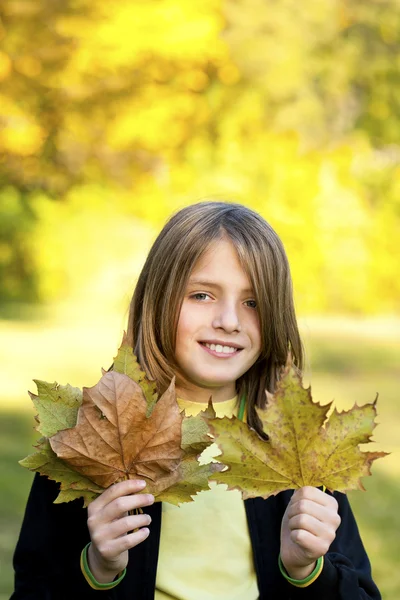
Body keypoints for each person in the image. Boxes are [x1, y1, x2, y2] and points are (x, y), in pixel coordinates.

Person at [11, 201, 381, 599]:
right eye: (202, 295)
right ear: (159, 299)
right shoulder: (90, 437)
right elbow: (35, 587)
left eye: (252, 302)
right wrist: (99, 570)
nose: (229, 320)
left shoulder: (299, 454)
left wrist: (306, 571)